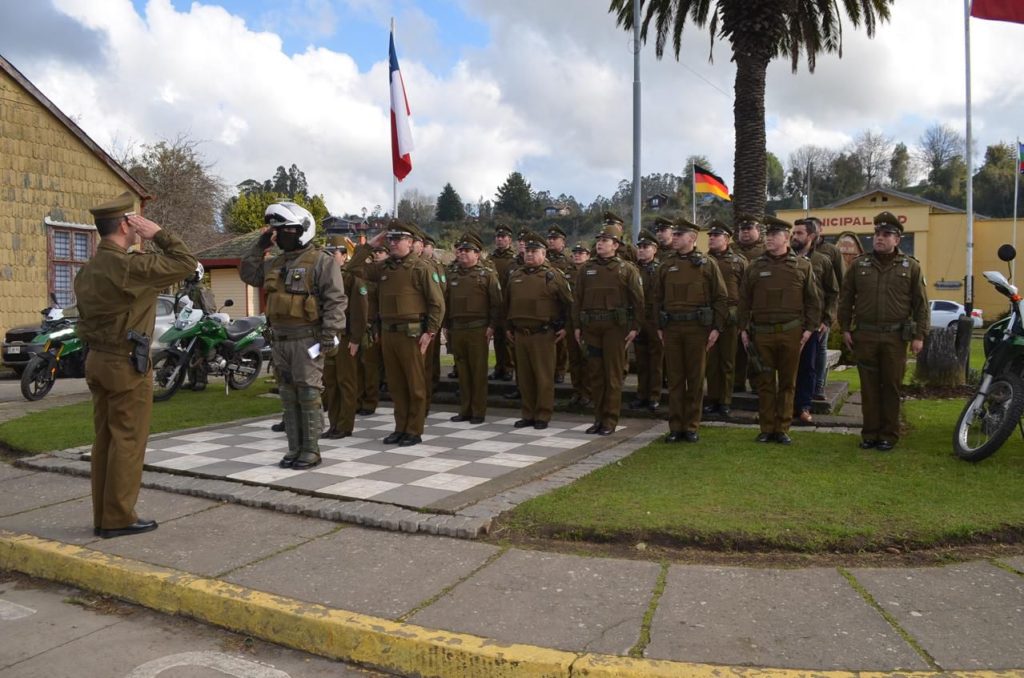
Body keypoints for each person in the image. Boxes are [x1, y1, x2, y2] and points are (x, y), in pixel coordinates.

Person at [74, 192, 198, 538]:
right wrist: (157, 233)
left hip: (96, 359)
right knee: (127, 441)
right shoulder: (130, 267)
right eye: (134, 220)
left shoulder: (88, 271)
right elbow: (186, 262)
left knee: (105, 441)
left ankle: (104, 514)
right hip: (125, 364)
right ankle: (118, 518)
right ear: (128, 224)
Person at [240, 202, 347, 468]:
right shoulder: (275, 263)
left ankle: (311, 449)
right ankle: (294, 448)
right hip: (280, 340)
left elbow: (336, 301)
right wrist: (260, 243)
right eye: (278, 230)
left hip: (307, 339)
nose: (281, 235)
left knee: (308, 393)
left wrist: (329, 334)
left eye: (286, 229)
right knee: (288, 395)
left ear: (302, 229)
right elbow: (248, 272)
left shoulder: (321, 261)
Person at [837, 211, 928, 451]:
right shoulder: (859, 265)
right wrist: (845, 328)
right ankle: (869, 434)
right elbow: (845, 300)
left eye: (886, 234)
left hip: (895, 337)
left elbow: (921, 304)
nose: (879, 238)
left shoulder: (911, 266)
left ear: (897, 239)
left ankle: (888, 435)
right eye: (877, 233)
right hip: (865, 335)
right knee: (868, 386)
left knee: (891, 386)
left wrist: (919, 336)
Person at [348, 221, 445, 446]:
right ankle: (400, 427)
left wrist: (430, 332)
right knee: (396, 385)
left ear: (410, 243)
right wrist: (370, 245)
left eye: (397, 239)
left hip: (412, 334)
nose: (392, 243)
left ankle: (413, 429)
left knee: (415, 385)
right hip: (388, 334)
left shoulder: (421, 268)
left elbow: (437, 304)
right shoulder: (384, 268)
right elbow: (353, 268)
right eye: (389, 239)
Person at [738, 216, 821, 445]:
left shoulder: (803, 266)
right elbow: (744, 300)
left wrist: (809, 330)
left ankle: (782, 428)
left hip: (791, 332)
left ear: (786, 238)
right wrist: (743, 329)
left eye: (774, 235)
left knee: (787, 382)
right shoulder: (755, 267)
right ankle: (766, 428)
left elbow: (814, 300)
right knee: (764, 382)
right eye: (768, 235)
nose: (769, 239)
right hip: (761, 333)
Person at [653, 218, 728, 443]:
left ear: (692, 238)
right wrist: (658, 326)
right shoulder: (666, 264)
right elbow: (656, 298)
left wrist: (716, 328)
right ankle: (675, 426)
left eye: (679, 235)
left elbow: (720, 298)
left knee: (695, 379)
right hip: (672, 328)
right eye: (674, 234)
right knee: (675, 379)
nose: (674, 238)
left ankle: (692, 425)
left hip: (698, 329)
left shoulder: (707, 264)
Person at [574, 213, 644, 435]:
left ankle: (610, 421)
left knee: (613, 376)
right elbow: (577, 300)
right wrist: (577, 326)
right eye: (599, 240)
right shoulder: (586, 269)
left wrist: (635, 327)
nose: (600, 244)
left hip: (616, 329)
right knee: (595, 376)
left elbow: (638, 301)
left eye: (605, 241)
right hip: (592, 328)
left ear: (616, 245)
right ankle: (598, 419)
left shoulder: (626, 269)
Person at [504, 231, 573, 429]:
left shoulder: (553, 276)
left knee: (543, 377)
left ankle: (543, 414)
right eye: (527, 252)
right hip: (520, 334)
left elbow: (569, 305)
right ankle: (528, 413)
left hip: (543, 334)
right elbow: (507, 304)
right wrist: (508, 326)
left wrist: (566, 328)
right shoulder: (515, 275)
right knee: (524, 377)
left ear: (544, 254)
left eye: (534, 252)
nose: (529, 255)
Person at [445, 233, 503, 423]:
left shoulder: (487, 275)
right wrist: (446, 325)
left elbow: (496, 304)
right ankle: (465, 409)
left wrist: (492, 326)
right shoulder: (452, 275)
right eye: (460, 250)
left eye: (467, 251)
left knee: (478, 372)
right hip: (457, 329)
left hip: (478, 329)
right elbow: (446, 302)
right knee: (462, 371)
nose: (462, 253)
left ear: (477, 254)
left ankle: (478, 411)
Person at [791, 218, 839, 425]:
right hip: (786, 322)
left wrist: (827, 320)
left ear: (811, 236)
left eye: (799, 233)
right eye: (793, 233)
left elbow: (833, 292)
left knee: (807, 367)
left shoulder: (822, 261)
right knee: (783, 367)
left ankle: (803, 407)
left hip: (811, 323)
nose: (794, 237)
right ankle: (781, 407)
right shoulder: (784, 258)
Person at [321, 235, 368, 439]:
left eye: (335, 253)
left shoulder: (352, 278)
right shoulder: (323, 278)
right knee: (331, 383)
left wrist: (356, 339)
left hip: (346, 337)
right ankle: (333, 424)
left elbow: (360, 312)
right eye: (328, 253)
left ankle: (345, 425)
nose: (331, 257)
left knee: (346, 382)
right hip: (329, 337)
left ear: (344, 255)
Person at [703, 219, 747, 417]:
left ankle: (726, 400)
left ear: (727, 239)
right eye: (710, 235)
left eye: (716, 235)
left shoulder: (738, 262)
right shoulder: (702, 261)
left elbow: (746, 293)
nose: (711, 238)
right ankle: (712, 399)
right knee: (711, 362)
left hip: (731, 316)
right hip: (708, 315)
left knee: (728, 361)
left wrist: (743, 320)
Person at [806, 216, 845, 400]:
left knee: (821, 349)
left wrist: (831, 314)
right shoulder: (797, 250)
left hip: (822, 312)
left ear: (819, 230)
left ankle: (818, 387)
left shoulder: (831, 252)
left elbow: (839, 283)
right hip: (802, 313)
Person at [731, 213, 767, 394]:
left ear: (758, 231)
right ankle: (736, 384)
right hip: (735, 307)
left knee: (757, 349)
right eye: (742, 230)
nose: (745, 233)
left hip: (758, 307)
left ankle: (757, 385)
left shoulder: (766, 251)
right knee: (736, 350)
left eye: (749, 229)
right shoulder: (730, 250)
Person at [630, 229, 664, 412]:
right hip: (638, 319)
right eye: (639, 247)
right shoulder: (632, 269)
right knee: (641, 361)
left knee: (656, 361)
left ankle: (654, 395)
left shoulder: (661, 269)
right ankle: (641, 394)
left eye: (646, 247)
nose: (641, 250)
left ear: (655, 249)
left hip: (654, 319)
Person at [356, 244, 388, 415]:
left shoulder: (384, 276)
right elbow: (355, 264)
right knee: (357, 368)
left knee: (371, 367)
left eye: (380, 251)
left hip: (373, 326)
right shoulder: (362, 274)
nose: (376, 255)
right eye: (374, 252)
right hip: (357, 326)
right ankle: (358, 399)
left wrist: (378, 327)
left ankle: (370, 401)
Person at [546, 225, 574, 384]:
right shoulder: (544, 259)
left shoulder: (568, 261)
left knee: (562, 344)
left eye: (554, 239)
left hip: (562, 304)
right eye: (549, 238)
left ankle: (561, 370)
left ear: (562, 242)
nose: (551, 241)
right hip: (547, 305)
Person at [489, 224, 516, 381]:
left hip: (508, 302)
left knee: (508, 338)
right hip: (494, 303)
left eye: (503, 237)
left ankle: (509, 367)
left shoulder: (513, 260)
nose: (500, 240)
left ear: (509, 240)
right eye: (498, 237)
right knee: (497, 338)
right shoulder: (490, 258)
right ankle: (499, 367)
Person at [567, 242, 593, 408]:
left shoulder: (591, 272)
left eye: (581, 252)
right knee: (574, 359)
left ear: (588, 255)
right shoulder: (566, 273)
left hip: (586, 320)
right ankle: (577, 391)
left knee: (587, 359)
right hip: (571, 319)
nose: (578, 255)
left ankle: (587, 392)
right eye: (575, 252)